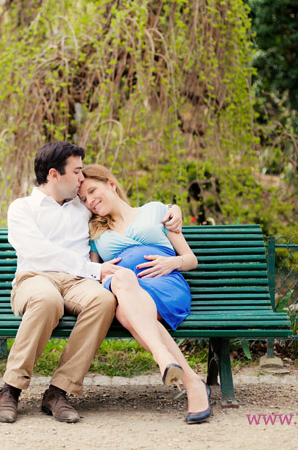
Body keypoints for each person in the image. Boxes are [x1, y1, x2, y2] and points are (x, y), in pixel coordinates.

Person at [0, 141, 182, 424]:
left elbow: (125, 209)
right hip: (35, 279)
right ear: (55, 174)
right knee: (47, 299)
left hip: (78, 282)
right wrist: (93, 269)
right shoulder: (22, 208)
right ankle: (11, 388)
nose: (82, 178)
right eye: (77, 171)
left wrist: (172, 209)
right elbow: (38, 254)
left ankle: (59, 392)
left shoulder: (82, 208)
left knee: (103, 300)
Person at [78, 164, 212, 424]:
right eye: (83, 199)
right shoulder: (94, 232)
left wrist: (172, 262)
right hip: (123, 288)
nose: (90, 201)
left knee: (126, 312)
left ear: (111, 184)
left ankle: (171, 364)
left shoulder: (156, 211)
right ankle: (187, 378)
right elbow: (96, 274)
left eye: (93, 191)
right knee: (122, 278)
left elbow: (190, 259)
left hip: (165, 285)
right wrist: (102, 273)